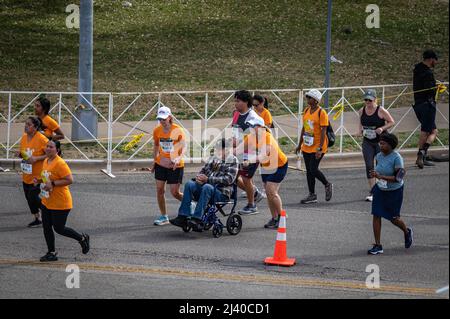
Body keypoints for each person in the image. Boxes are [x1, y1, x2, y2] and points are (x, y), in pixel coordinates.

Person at [34, 140, 90, 262]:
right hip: (47, 200)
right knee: (46, 227)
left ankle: (82, 239)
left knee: (59, 228)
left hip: (61, 202)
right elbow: (47, 177)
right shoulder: (46, 161)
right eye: (47, 146)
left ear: (57, 150)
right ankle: (51, 252)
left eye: (51, 147)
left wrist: (53, 184)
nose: (48, 148)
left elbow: (69, 180)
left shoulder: (60, 163)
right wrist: (39, 180)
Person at [170, 138, 239, 228]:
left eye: (219, 149)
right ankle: (183, 216)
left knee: (207, 186)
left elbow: (229, 179)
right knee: (189, 184)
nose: (217, 151)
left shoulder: (233, 161)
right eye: (216, 148)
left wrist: (208, 179)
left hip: (221, 192)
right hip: (206, 188)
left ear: (226, 149)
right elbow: (203, 170)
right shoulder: (213, 158)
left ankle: (197, 219)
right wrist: (199, 177)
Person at [368, 133, 413, 255]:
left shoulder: (396, 158)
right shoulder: (378, 156)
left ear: (390, 145)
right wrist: (375, 175)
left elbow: (399, 178)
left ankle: (406, 231)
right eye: (380, 143)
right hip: (380, 190)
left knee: (394, 218)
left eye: (383, 144)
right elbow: (378, 170)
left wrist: (380, 176)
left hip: (395, 191)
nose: (380, 145)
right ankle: (378, 245)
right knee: (376, 215)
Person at [244, 115, 288, 229]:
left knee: (271, 192)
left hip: (279, 165)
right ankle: (274, 218)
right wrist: (224, 153)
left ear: (261, 126)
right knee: (269, 194)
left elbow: (264, 154)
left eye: (253, 126)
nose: (251, 128)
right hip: (266, 166)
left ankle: (282, 217)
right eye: (250, 126)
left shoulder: (267, 136)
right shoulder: (251, 137)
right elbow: (238, 148)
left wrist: (250, 160)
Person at [295, 89, 333, 204]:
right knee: (309, 171)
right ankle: (312, 195)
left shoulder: (322, 113)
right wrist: (299, 144)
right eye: (307, 97)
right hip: (307, 144)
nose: (307, 99)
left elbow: (323, 131)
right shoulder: (306, 110)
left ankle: (327, 184)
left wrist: (320, 148)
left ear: (316, 100)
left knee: (313, 168)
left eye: (310, 97)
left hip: (318, 145)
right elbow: (304, 128)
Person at [150, 106, 185, 226]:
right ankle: (164, 216)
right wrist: (155, 161)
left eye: (164, 119)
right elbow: (155, 145)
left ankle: (190, 203)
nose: (162, 122)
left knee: (175, 192)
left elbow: (184, 147)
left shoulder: (178, 130)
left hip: (175, 165)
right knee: (160, 190)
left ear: (170, 117)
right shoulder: (157, 130)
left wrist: (178, 158)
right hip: (161, 164)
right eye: (160, 119)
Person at [358, 89, 395, 202]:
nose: (367, 101)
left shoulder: (381, 110)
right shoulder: (361, 110)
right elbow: (360, 121)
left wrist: (381, 128)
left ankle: (383, 189)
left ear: (374, 99)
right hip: (367, 141)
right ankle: (373, 191)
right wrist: (359, 130)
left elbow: (392, 122)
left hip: (381, 142)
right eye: (366, 99)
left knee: (381, 166)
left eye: (370, 99)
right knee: (369, 166)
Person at [232, 90, 265, 215]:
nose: (235, 103)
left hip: (251, 153)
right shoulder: (236, 114)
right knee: (233, 176)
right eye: (235, 100)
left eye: (238, 101)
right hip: (239, 152)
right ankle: (255, 193)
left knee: (246, 178)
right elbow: (235, 130)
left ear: (245, 102)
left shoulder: (254, 118)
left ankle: (252, 205)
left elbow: (260, 137)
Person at [19, 117, 48, 227]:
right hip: (26, 173)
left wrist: (36, 159)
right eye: (25, 123)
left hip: (38, 175)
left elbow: (50, 154)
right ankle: (37, 218)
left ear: (35, 127)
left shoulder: (42, 139)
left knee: (33, 196)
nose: (26, 126)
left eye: (29, 124)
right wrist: (20, 155)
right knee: (29, 198)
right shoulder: (24, 137)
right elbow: (24, 152)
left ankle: (49, 212)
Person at [413, 50, 439, 169]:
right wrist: (436, 88)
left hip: (418, 104)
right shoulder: (428, 73)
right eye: (435, 59)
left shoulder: (417, 69)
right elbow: (429, 90)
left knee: (433, 131)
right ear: (430, 59)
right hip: (427, 105)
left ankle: (422, 155)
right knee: (427, 131)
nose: (436, 62)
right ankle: (421, 155)